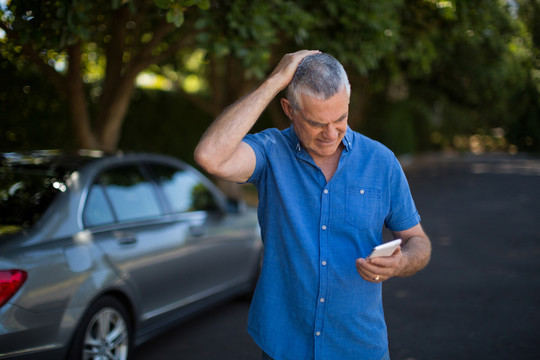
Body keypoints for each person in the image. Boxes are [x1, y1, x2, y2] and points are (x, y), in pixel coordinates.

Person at [194, 50, 431, 360]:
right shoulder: (270, 151)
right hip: (284, 345)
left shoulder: (382, 162)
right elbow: (210, 156)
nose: (331, 134)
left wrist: (400, 263)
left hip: (359, 346)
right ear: (289, 109)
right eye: (317, 123)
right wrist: (276, 80)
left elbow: (419, 241)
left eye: (340, 119)